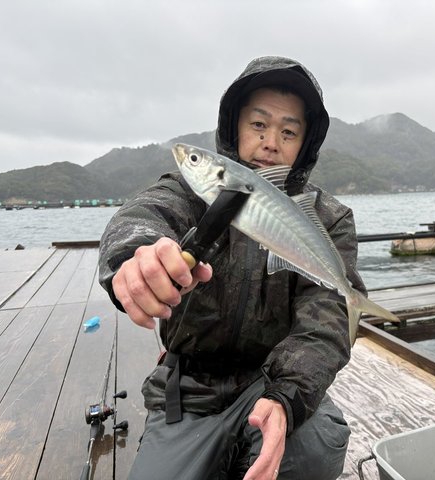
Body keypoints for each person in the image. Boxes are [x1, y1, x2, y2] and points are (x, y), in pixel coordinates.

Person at [98, 56, 366, 480]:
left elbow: (326, 320)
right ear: (234, 126)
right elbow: (144, 215)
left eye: (288, 131)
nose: (271, 142)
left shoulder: (327, 218)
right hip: (190, 392)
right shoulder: (190, 192)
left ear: (305, 142)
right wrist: (136, 255)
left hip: (272, 378)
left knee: (314, 450)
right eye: (258, 124)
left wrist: (288, 395)